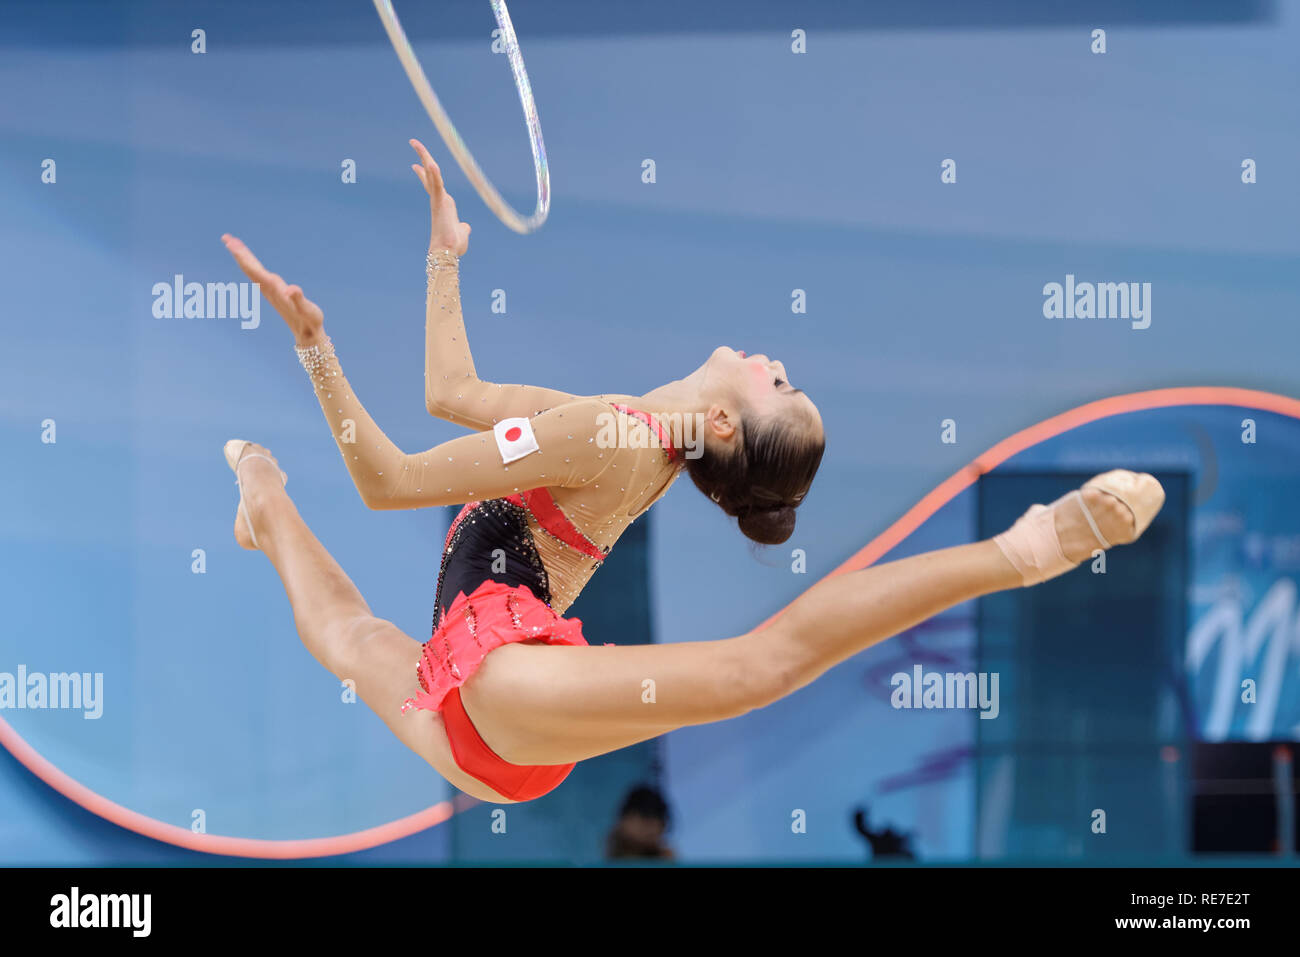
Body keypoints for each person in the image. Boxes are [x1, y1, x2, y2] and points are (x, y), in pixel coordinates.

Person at [219, 139, 1165, 805]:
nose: (772, 360)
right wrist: (443, 257)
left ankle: (1029, 547)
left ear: (724, 420)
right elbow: (451, 388)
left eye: (781, 383)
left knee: (761, 665)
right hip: (490, 724)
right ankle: (263, 499)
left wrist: (315, 351)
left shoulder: (610, 436)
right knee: (346, 632)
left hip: (503, 688)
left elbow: (387, 479)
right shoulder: (624, 438)